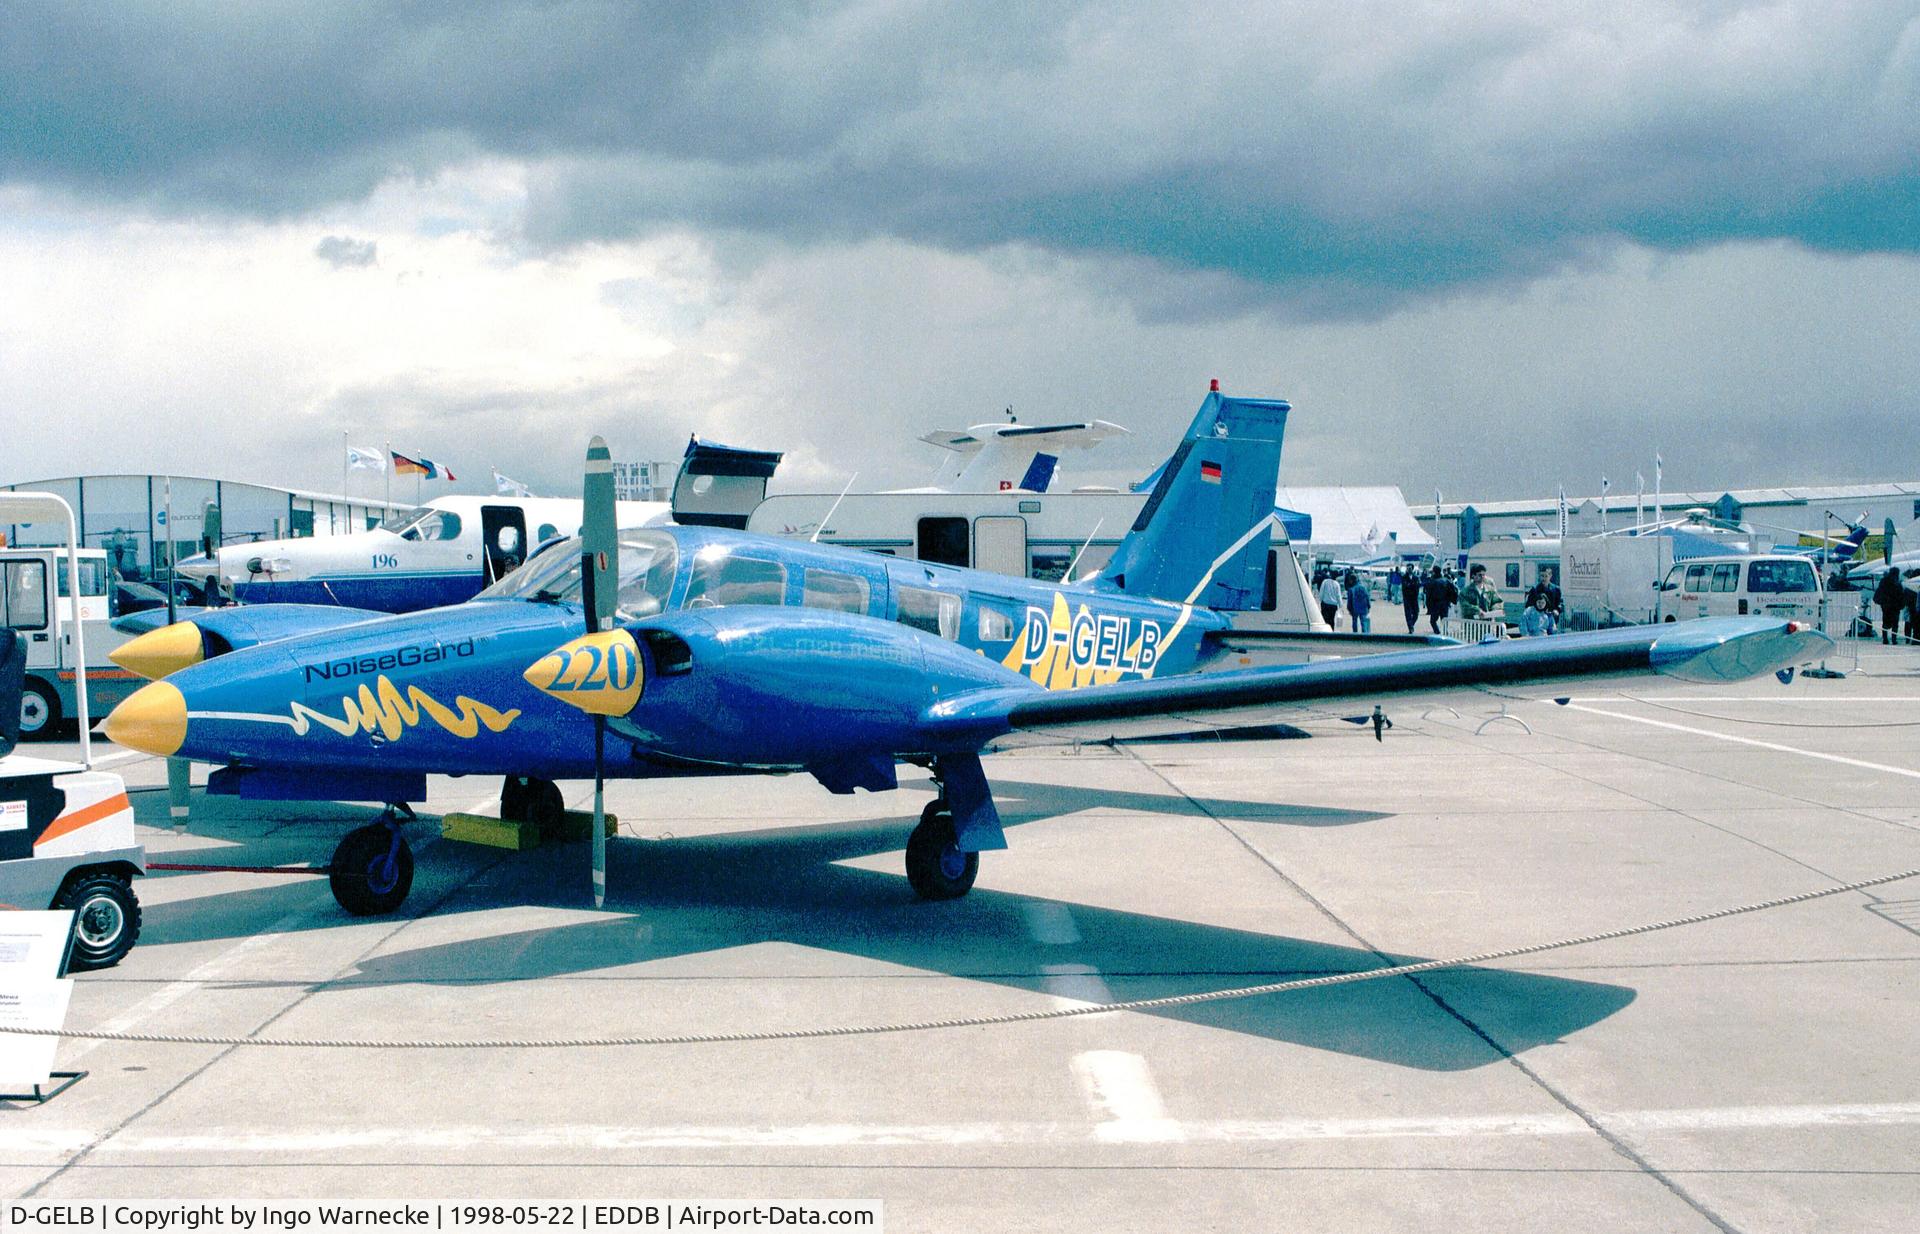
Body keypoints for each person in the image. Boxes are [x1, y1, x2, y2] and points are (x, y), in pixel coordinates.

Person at [1874, 568, 1907, 645]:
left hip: (1886, 606)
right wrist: (1901, 605)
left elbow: (1880, 591)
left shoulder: (1884, 581)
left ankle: (1885, 639)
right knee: (1895, 624)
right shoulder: (1897, 583)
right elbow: (1901, 595)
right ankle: (1894, 639)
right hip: (1895, 607)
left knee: (1885, 622)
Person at [1423, 566, 1456, 634]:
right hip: (1445, 603)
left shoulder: (1432, 582)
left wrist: (1428, 606)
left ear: (1434, 572)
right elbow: (1453, 591)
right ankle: (1445, 632)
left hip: (1435, 604)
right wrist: (1451, 601)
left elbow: (1428, 595)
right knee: (1444, 619)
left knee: (1433, 621)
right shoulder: (1446, 580)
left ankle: (1437, 632)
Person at [1402, 563, 1422, 632]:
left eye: (1410, 568)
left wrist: (1411, 585)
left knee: (1416, 613)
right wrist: (1413, 585)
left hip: (1414, 598)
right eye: (1407, 568)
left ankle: (1411, 624)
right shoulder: (1404, 577)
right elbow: (1405, 586)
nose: (1408, 570)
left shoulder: (1416, 577)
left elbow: (1418, 585)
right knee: (1408, 614)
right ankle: (1410, 627)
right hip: (1407, 598)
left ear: (1412, 569)